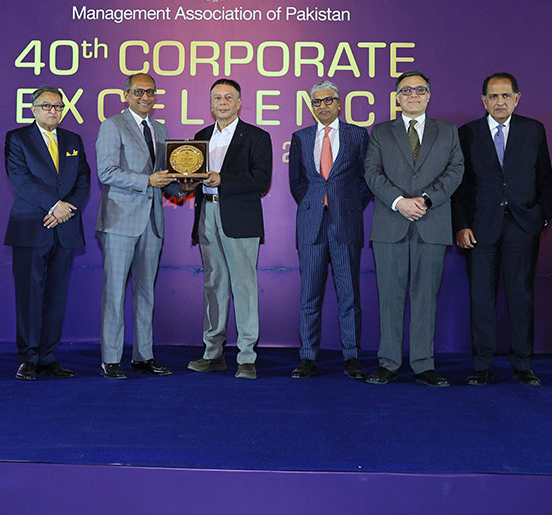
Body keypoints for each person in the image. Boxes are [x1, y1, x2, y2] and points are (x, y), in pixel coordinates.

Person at [452, 73, 552, 386]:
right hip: (480, 229)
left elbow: (545, 179)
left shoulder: (533, 130)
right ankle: (482, 365)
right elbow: (460, 186)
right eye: (493, 97)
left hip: (522, 227)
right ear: (483, 101)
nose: (500, 102)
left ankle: (523, 365)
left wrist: (541, 218)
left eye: (506, 96)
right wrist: (462, 225)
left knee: (521, 298)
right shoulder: (467, 133)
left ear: (517, 98)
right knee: (481, 299)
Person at [363, 70, 463, 387]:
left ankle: (423, 365)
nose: (413, 95)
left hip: (431, 224)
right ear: (397, 97)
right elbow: (372, 172)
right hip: (390, 225)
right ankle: (388, 363)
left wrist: (426, 199)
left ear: (429, 96)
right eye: (406, 90)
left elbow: (456, 170)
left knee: (425, 299)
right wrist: (399, 202)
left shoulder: (448, 131)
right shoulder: (380, 132)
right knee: (389, 298)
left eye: (420, 90)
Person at [95, 74, 181, 379]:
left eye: (150, 92)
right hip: (120, 220)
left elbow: (163, 177)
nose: (145, 97)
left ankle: (144, 356)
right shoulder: (112, 125)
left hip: (152, 221)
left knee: (146, 293)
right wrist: (147, 180)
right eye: (139, 91)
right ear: (126, 95)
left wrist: (183, 185)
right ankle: (111, 359)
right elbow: (106, 172)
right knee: (115, 293)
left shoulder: (161, 129)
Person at [186, 79, 272, 379]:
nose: (222, 102)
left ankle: (247, 357)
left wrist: (223, 180)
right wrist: (187, 182)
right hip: (207, 213)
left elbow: (261, 179)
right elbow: (192, 174)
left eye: (228, 97)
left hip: (240, 218)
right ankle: (213, 353)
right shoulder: (200, 137)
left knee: (244, 287)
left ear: (239, 102)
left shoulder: (257, 136)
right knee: (214, 285)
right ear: (210, 104)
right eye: (217, 98)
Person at [5, 86, 90, 381]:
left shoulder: (73, 140)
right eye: (46, 106)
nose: (53, 110)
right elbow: (20, 179)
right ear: (33, 109)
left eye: (58, 106)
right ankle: (28, 357)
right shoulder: (18, 138)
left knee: (56, 296)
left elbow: (83, 180)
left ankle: (47, 356)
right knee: (29, 295)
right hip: (31, 226)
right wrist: (55, 206)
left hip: (65, 227)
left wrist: (66, 209)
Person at [287, 81, 371, 379]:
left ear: (339, 103)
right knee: (309, 296)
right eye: (316, 102)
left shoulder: (357, 135)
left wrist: (347, 205)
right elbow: (296, 182)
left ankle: (352, 357)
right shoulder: (301, 137)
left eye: (328, 100)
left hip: (345, 223)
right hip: (311, 226)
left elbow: (366, 179)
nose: (322, 106)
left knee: (349, 295)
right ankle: (308, 357)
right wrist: (315, 204)